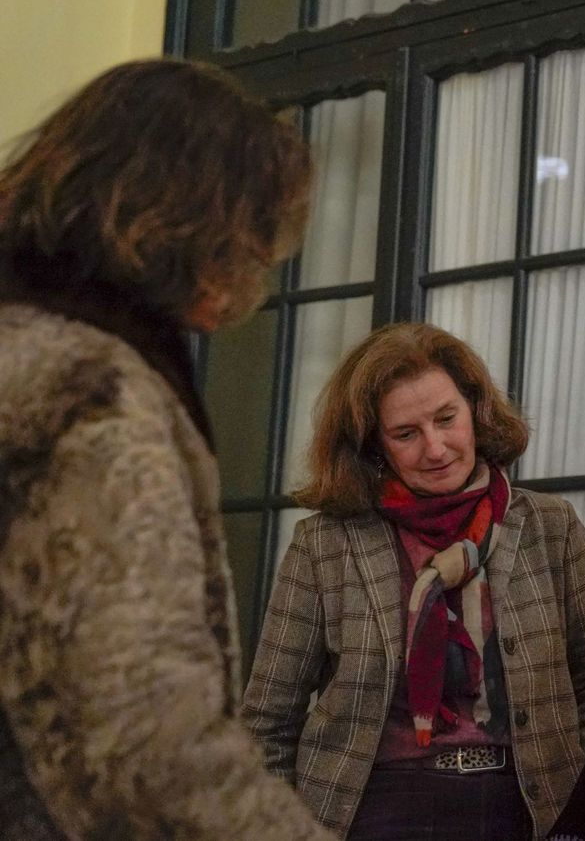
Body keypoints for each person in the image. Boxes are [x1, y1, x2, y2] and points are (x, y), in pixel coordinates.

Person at [0, 59, 336, 839]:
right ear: (187, 224)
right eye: (252, 243)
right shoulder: (89, 394)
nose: (254, 281)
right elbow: (145, 737)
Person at [243, 322, 585, 840]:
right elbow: (267, 720)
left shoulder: (549, 528)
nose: (436, 448)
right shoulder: (325, 545)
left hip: (532, 807)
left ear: (476, 411)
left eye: (447, 419)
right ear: (375, 447)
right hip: (369, 811)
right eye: (406, 434)